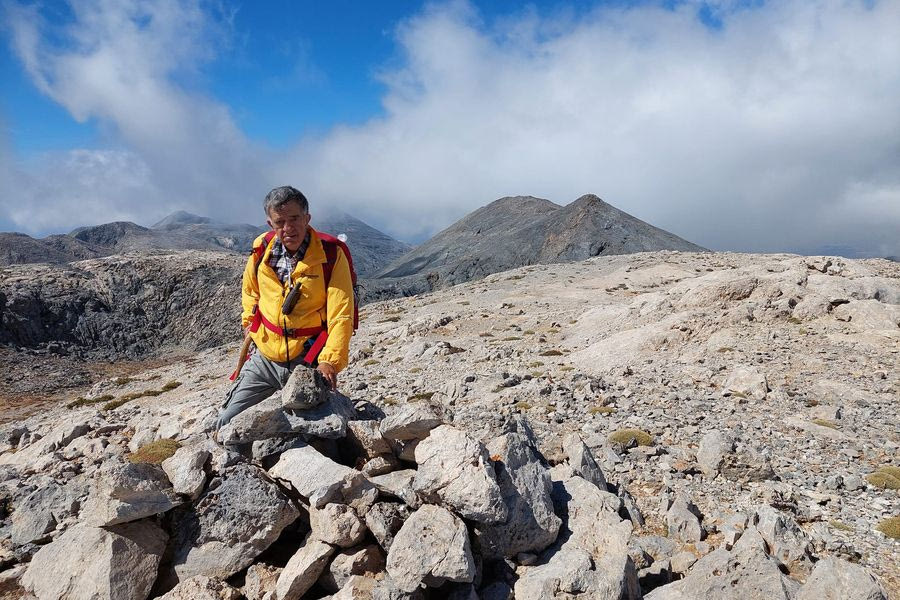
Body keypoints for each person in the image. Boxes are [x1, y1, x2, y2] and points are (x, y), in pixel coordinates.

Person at [216, 186, 354, 429]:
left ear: (307, 218)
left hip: (309, 358)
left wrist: (329, 362)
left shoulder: (331, 256)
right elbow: (250, 290)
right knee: (227, 421)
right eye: (280, 222)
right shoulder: (262, 248)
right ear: (271, 223)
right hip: (265, 356)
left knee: (317, 431)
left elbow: (341, 313)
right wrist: (249, 323)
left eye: (295, 219)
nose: (288, 228)